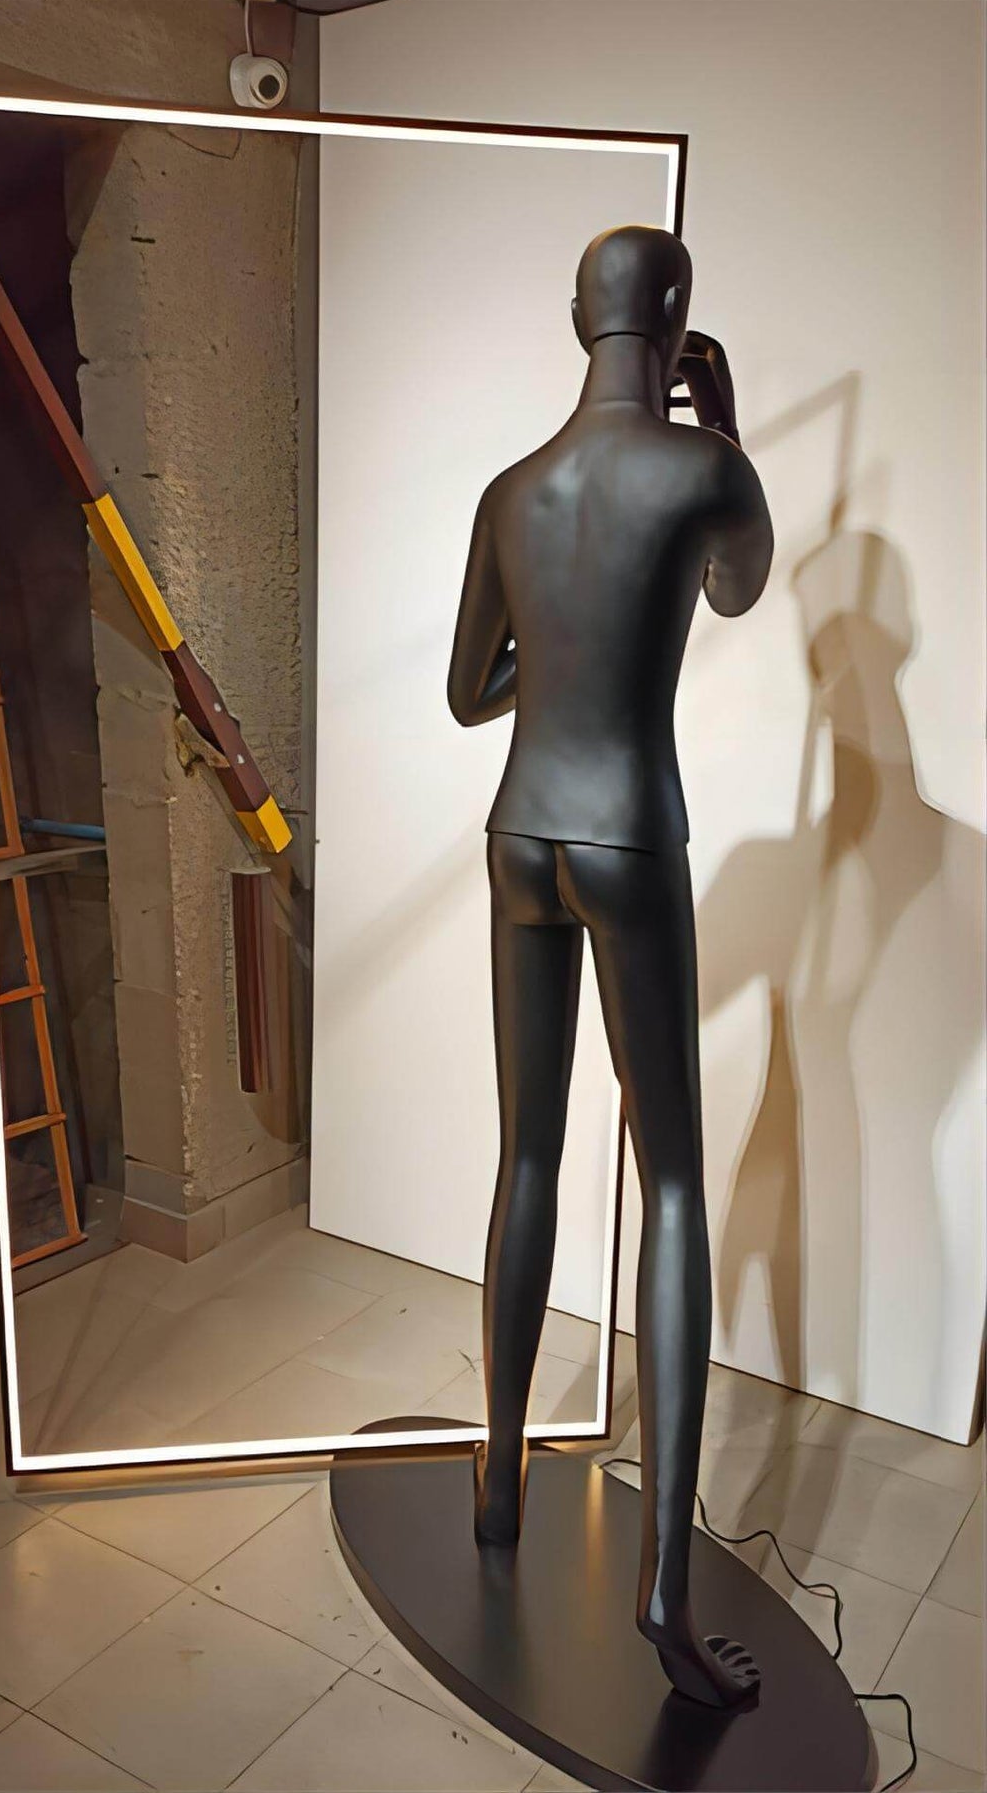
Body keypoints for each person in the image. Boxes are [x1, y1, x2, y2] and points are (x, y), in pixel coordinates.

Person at [447, 224, 773, 1708]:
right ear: (676, 317)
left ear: (575, 316)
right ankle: (660, 1599)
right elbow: (737, 592)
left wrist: (557, 654)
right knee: (673, 1182)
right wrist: (726, 422)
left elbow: (471, 692)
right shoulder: (703, 472)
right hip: (631, 834)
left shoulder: (512, 489)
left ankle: (498, 1478)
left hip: (520, 831)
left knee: (526, 1153)